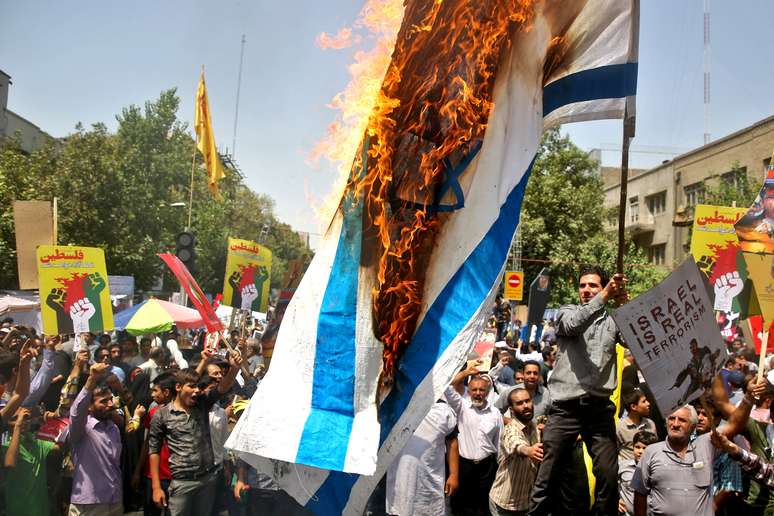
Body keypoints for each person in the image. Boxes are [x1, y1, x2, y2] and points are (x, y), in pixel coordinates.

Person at [529, 265, 627, 516]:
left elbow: (634, 339)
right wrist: (604, 295)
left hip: (599, 410)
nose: (586, 290)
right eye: (583, 285)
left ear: (603, 286)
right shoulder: (566, 312)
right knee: (547, 475)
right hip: (565, 409)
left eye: (593, 285)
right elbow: (572, 325)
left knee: (607, 473)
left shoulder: (614, 320)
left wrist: (625, 304)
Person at [632, 385, 761, 516]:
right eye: (671, 418)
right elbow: (639, 494)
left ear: (692, 426)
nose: (675, 424)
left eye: (682, 420)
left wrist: (748, 397)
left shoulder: (707, 444)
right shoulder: (651, 452)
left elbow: (734, 424)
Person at [148, 350, 243, 516]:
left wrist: (235, 368)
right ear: (178, 388)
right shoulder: (161, 415)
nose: (197, 391)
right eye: (191, 386)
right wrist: (156, 487)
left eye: (198, 387)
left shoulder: (202, 405)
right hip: (181, 483)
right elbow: (154, 451)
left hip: (207, 480)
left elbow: (222, 387)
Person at [60, 362, 123, 515]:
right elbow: (76, 412)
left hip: (114, 500)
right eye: (103, 401)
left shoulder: (112, 427)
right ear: (89, 406)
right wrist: (91, 380)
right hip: (89, 504)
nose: (110, 404)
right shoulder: (82, 428)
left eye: (110, 399)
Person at [445, 364, 503, 516]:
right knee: (460, 506)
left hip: (487, 468)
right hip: (463, 467)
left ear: (487, 392)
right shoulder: (461, 406)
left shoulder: (495, 413)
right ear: (468, 392)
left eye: (481, 390)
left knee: (482, 507)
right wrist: (464, 373)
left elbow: (499, 442)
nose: (478, 393)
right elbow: (446, 387)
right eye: (474, 390)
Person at [385, 400, 459, 515]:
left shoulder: (443, 410)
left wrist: (454, 475)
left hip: (429, 486)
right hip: (399, 484)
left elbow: (452, 442)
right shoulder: (396, 403)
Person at [489, 388, 541, 516]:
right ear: (511, 410)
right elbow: (515, 443)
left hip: (526, 502)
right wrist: (528, 450)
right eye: (519, 403)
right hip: (505, 504)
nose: (525, 406)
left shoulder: (534, 426)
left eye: (527, 401)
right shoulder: (510, 430)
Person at [3, 407, 60, 516]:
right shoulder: (4, 445)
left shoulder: (36, 443)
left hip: (40, 510)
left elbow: (60, 446)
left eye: (25, 418)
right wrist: (18, 426)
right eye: (16, 418)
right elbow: (9, 463)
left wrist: (62, 417)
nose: (22, 421)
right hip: (18, 511)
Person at [668, 339, 721, 406]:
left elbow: (711, 359)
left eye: (693, 346)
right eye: (691, 348)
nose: (692, 349)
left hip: (707, 374)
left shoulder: (704, 351)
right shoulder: (692, 361)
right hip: (698, 376)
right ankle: (682, 399)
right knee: (692, 386)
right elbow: (686, 371)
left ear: (696, 345)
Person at [618, 430, 657, 516]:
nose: (640, 451)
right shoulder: (623, 466)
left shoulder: (657, 470)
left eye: (645, 448)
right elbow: (609, 486)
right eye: (637, 447)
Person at [616, 389, 656, 461]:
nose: (648, 403)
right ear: (633, 407)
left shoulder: (650, 424)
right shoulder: (620, 427)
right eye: (644, 401)